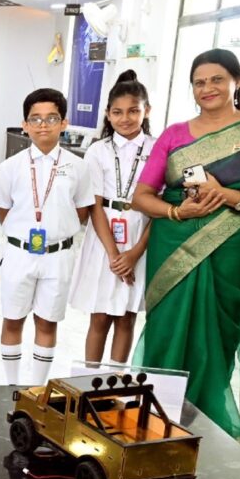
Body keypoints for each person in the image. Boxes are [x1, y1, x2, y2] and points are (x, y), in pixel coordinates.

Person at [130, 49, 240, 476]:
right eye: (199, 82)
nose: (207, 88)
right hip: (173, 247)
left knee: (217, 341)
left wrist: (225, 194)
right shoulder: (174, 135)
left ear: (237, 81)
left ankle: (205, 428)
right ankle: (154, 424)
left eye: (216, 79)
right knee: (167, 331)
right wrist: (177, 212)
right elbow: (142, 197)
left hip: (233, 250)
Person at [0, 88, 93, 386]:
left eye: (51, 118)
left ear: (64, 123)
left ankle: (38, 389)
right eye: (35, 119)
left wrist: (56, 231)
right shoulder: (11, 166)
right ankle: (12, 387)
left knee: (47, 322)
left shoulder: (78, 166)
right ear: (25, 125)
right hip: (20, 253)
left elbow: (82, 210)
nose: (43, 125)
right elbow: (4, 210)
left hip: (57, 256)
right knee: (13, 319)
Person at [67, 71, 154, 366]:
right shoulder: (98, 150)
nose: (125, 118)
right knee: (100, 315)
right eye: (117, 112)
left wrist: (135, 253)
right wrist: (115, 255)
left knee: (126, 317)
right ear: (108, 114)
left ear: (146, 111)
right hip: (103, 240)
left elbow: (161, 206)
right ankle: (89, 379)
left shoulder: (157, 149)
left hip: (140, 236)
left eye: (133, 111)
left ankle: (115, 381)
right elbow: (94, 205)